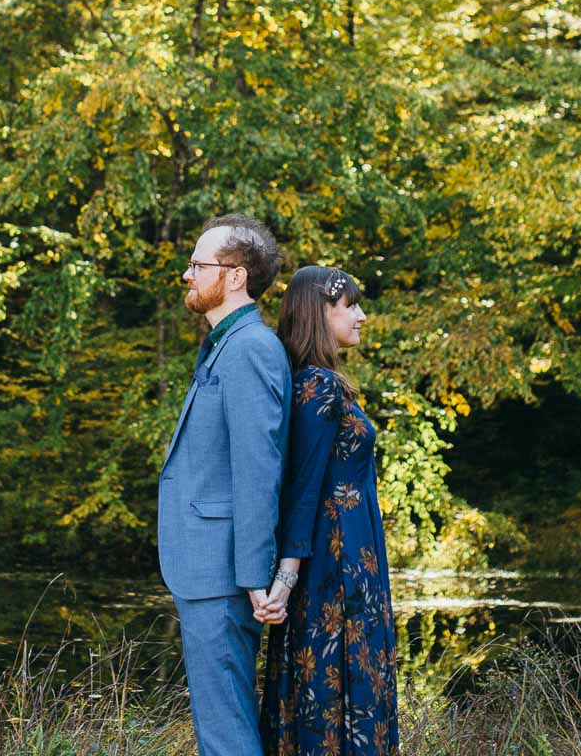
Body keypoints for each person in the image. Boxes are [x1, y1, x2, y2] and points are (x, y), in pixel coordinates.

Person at [158, 213, 293, 756]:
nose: (188, 274)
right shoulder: (223, 344)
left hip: (223, 573)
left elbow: (258, 468)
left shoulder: (250, 349)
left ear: (235, 275)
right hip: (208, 567)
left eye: (198, 264)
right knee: (223, 728)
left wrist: (256, 573)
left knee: (226, 734)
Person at [255, 266, 399, 756]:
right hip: (336, 572)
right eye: (350, 305)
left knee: (336, 687)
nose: (361, 315)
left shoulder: (318, 382)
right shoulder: (318, 386)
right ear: (321, 311)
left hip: (349, 563)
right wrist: (287, 577)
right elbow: (303, 487)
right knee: (335, 688)